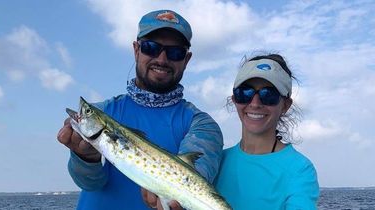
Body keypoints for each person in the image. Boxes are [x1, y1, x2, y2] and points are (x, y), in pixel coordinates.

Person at [57, 9, 224, 210]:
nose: (162, 59)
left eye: (175, 52)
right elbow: (90, 183)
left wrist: (174, 193)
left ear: (186, 60)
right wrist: (86, 158)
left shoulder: (202, 124)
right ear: (136, 50)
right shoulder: (105, 111)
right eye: (151, 47)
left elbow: (198, 170)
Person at [214, 54, 320, 210]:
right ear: (234, 99)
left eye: (268, 95)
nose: (255, 103)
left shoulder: (299, 170)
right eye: (245, 93)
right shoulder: (215, 161)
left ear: (285, 105)